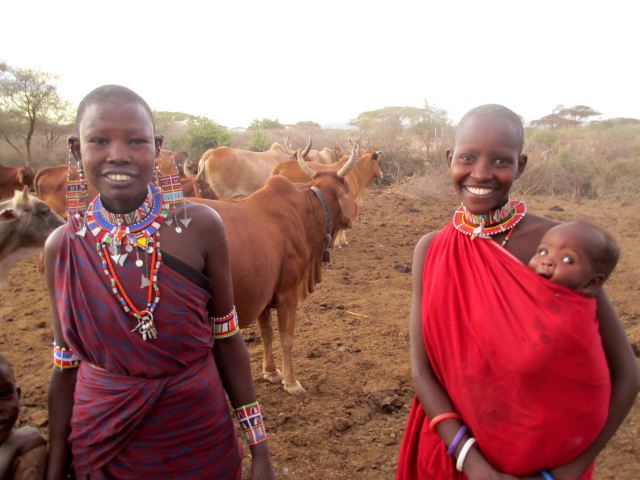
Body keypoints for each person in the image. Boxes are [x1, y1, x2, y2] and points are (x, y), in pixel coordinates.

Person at [395, 104, 639, 480]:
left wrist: (565, 473)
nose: (480, 173)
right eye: (467, 158)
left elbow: (626, 374)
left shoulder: (559, 251)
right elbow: (421, 370)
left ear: (520, 166)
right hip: (452, 455)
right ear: (449, 160)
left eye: (500, 160)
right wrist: (474, 465)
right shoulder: (430, 250)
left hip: (541, 465)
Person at [44, 85, 275, 479]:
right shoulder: (63, 246)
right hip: (102, 445)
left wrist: (260, 449)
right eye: (99, 140)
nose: (118, 154)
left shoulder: (200, 228)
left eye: (136, 141)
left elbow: (227, 337)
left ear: (157, 147)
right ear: (75, 149)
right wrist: (54, 469)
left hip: (197, 438)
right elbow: (65, 366)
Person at [529, 221, 619, 297]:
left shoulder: (574, 315)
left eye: (567, 260)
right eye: (543, 252)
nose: (547, 261)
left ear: (590, 284)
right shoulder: (521, 288)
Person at [0, 354, 47, 479]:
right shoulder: (20, 442)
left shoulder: (28, 455)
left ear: (18, 394)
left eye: (4, 394)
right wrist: (11, 447)